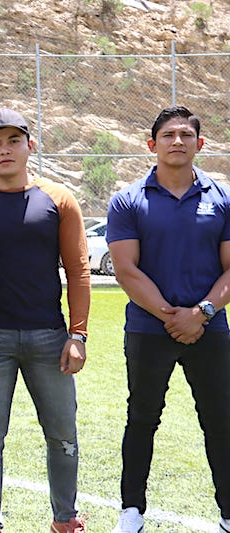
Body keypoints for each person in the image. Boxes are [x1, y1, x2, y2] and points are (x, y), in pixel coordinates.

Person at [0, 108, 90, 533]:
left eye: (13, 140)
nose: (5, 150)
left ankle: (65, 519)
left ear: (29, 146)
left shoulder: (58, 198)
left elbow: (78, 270)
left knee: (63, 434)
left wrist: (78, 334)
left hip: (49, 338)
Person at [107, 106, 230, 533]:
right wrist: (172, 316)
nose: (177, 141)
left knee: (220, 418)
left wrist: (202, 314)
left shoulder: (222, 198)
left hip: (210, 328)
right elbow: (126, 269)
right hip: (148, 328)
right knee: (142, 416)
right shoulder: (127, 199)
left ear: (200, 143)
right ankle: (131, 511)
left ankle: (229, 513)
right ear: (151, 144)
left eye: (185, 134)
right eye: (168, 135)